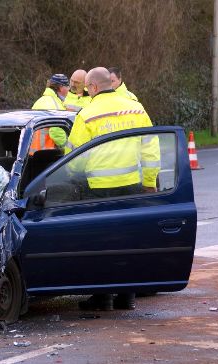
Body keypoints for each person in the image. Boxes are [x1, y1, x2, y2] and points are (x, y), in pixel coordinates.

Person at [65, 67, 160, 311]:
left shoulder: (87, 114)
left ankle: (102, 297)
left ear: (94, 87)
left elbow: (73, 157)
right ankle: (127, 296)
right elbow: (150, 148)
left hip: (98, 189)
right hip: (131, 186)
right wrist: (149, 182)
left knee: (100, 244)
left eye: (87, 88)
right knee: (128, 242)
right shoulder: (136, 108)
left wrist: (72, 179)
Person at [30, 74, 70, 153]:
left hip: (33, 153)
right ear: (61, 87)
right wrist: (69, 148)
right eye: (67, 86)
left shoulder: (39, 101)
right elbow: (56, 132)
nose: (69, 90)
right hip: (48, 154)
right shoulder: (55, 105)